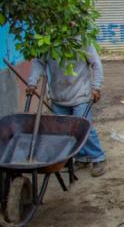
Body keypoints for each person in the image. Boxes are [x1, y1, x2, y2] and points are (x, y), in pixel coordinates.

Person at [27, 44, 107, 177]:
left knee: (84, 128)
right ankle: (81, 158)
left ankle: (98, 158)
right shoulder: (47, 42)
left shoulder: (82, 41)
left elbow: (96, 64)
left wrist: (96, 87)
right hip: (58, 96)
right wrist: (32, 82)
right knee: (66, 132)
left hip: (80, 94)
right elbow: (38, 63)